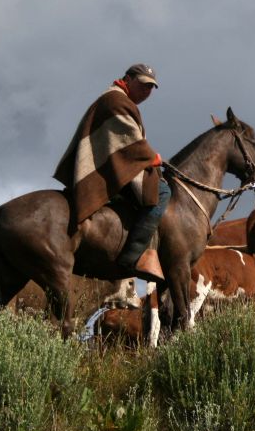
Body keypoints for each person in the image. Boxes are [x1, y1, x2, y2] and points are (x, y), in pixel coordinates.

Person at [54, 63, 171, 278]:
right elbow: (130, 142)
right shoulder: (116, 100)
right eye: (143, 85)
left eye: (150, 88)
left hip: (114, 164)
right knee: (162, 192)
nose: (146, 92)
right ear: (127, 79)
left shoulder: (116, 99)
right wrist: (152, 157)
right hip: (110, 169)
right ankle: (133, 256)